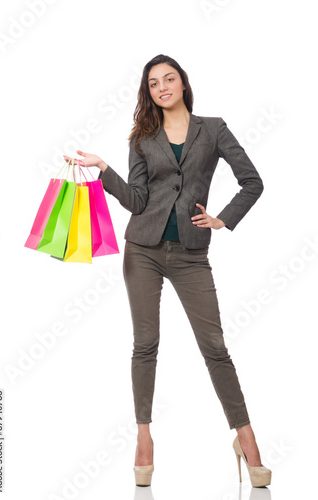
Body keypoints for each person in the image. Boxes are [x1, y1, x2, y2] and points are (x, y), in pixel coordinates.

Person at [63, 54, 272, 488]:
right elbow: (138, 202)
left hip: (192, 253)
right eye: (153, 83)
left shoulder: (213, 129)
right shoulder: (142, 137)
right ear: (149, 92)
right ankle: (144, 438)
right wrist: (104, 170)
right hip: (143, 249)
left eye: (169, 78)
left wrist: (223, 218)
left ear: (182, 82)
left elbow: (252, 181)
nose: (162, 87)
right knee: (146, 344)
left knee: (214, 346)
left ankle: (246, 439)